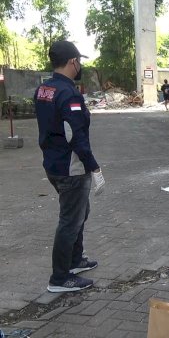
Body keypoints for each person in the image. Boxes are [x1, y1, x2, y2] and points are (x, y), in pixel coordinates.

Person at [34, 40, 105, 292]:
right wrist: (94, 167)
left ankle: (75, 261)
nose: (80, 65)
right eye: (79, 61)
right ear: (73, 62)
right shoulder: (68, 93)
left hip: (53, 164)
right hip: (71, 168)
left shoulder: (44, 89)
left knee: (79, 213)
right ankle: (60, 278)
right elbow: (75, 136)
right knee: (70, 220)